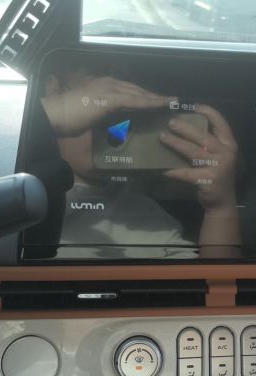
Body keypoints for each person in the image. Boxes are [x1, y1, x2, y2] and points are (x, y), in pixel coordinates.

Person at [38, 67, 241, 259]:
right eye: (100, 103)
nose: (116, 130)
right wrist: (44, 115)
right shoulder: (21, 174)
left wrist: (221, 210)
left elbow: (209, 281)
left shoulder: (145, 219)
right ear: (53, 91)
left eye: (126, 113)